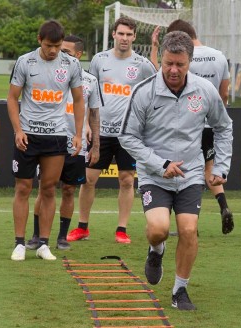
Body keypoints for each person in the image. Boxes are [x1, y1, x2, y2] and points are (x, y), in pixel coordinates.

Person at [119, 31, 233, 310]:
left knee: (189, 229)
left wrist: (220, 166)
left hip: (191, 174)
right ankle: (156, 250)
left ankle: (179, 290)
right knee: (158, 229)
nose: (173, 70)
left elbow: (224, 126)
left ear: (189, 62)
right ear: (162, 60)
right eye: (168, 63)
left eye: (180, 65)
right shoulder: (143, 91)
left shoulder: (205, 90)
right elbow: (127, 137)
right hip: (154, 174)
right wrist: (160, 164)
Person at [67, 16, 156, 244]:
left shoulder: (143, 65)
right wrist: (87, 125)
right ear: (113, 35)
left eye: (129, 34)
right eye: (121, 33)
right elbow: (88, 94)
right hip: (101, 132)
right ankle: (82, 227)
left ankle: (121, 229)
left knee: (126, 180)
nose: (124, 38)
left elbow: (153, 95)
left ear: (134, 37)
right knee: (88, 179)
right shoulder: (99, 60)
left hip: (129, 134)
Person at [7, 20, 84, 261]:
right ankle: (19, 243)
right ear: (40, 40)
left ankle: (43, 244)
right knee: (23, 188)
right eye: (50, 45)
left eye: (58, 46)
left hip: (56, 135)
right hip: (28, 135)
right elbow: (12, 98)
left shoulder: (71, 64)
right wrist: (18, 130)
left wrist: (78, 134)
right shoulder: (25, 61)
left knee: (49, 189)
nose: (53, 51)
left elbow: (79, 100)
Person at [150, 20, 235, 235]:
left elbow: (160, 76)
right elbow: (224, 94)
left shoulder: (180, 59)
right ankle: (223, 205)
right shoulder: (218, 56)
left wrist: (154, 48)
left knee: (182, 165)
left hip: (188, 122)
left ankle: (184, 219)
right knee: (209, 169)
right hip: (211, 120)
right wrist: (217, 117)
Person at [26, 35, 102, 251]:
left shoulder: (90, 81)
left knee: (69, 189)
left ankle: (61, 237)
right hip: (50, 141)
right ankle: (35, 235)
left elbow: (95, 114)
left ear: (79, 55)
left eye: (67, 52)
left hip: (76, 145)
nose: (60, 54)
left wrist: (96, 145)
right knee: (45, 188)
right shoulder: (50, 74)